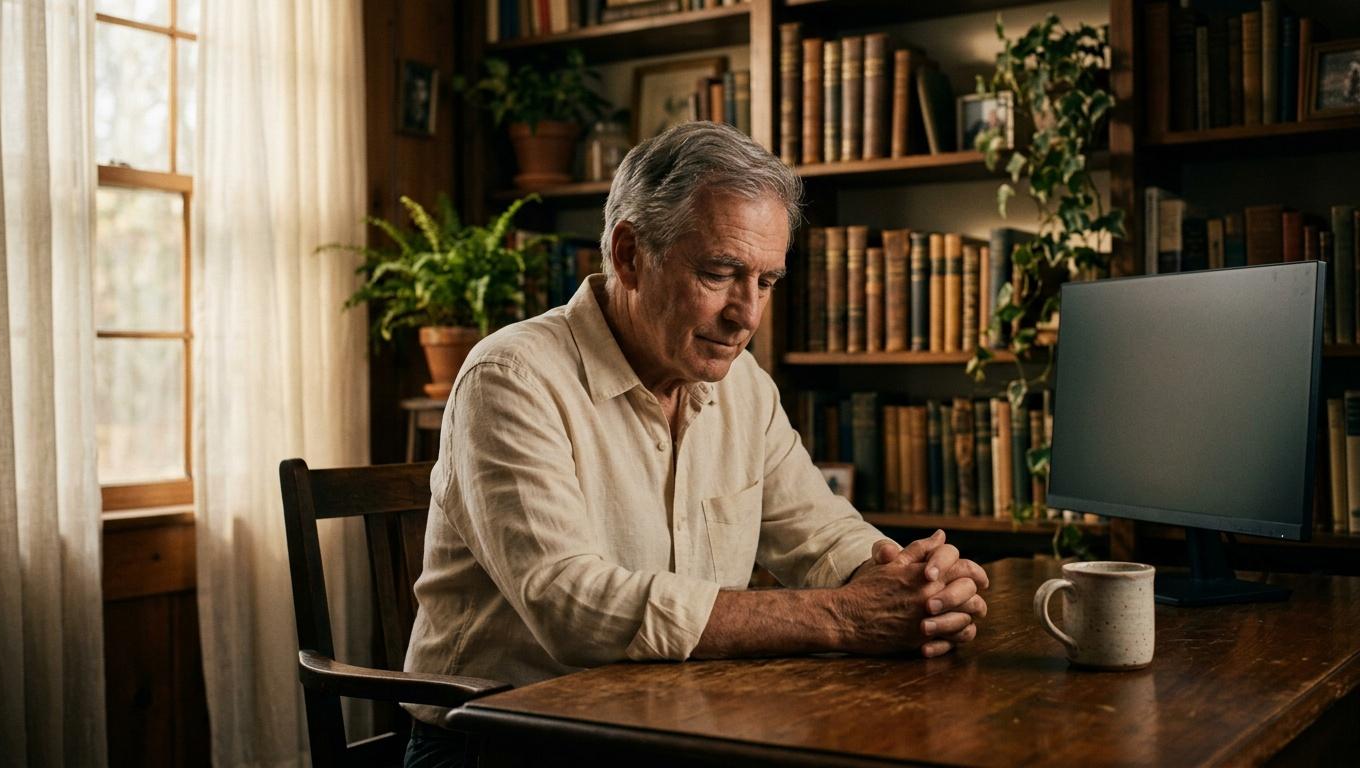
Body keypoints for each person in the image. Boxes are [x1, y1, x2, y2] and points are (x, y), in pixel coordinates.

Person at [400, 121, 990, 767]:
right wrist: (843, 617)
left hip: (676, 722)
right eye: (720, 273)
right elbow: (570, 604)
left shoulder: (744, 384)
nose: (748, 315)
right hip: (502, 740)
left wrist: (912, 584)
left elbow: (819, 533)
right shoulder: (511, 377)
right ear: (629, 255)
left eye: (766, 282)